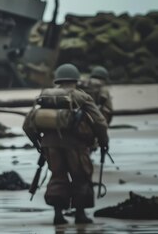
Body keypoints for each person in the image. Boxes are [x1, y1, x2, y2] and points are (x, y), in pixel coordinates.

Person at [23, 63, 109, 225]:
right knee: (81, 176)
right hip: (75, 144)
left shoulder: (45, 96)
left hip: (50, 145)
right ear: (75, 79)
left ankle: (58, 215)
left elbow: (27, 125)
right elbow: (100, 122)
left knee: (57, 177)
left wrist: (39, 143)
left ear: (57, 79)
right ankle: (80, 214)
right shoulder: (81, 96)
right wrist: (103, 141)